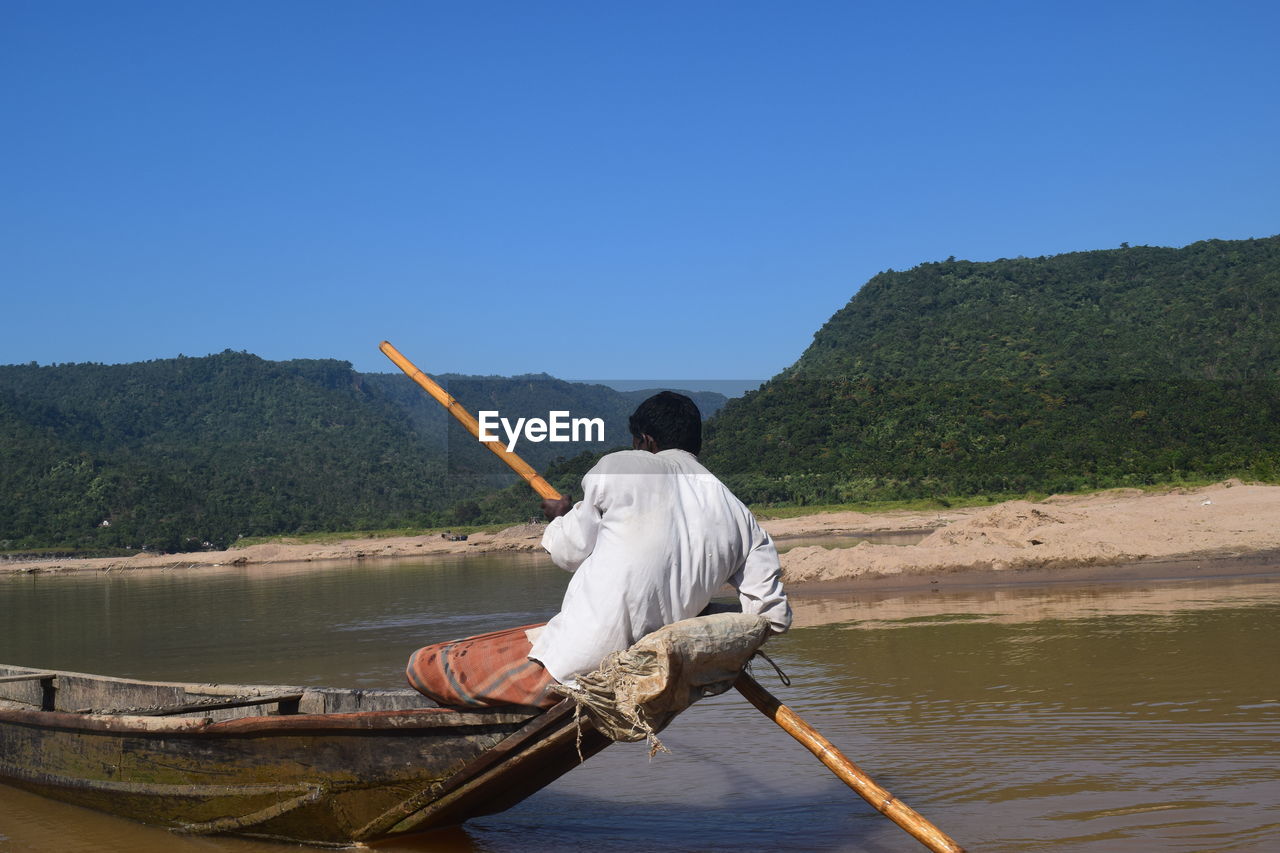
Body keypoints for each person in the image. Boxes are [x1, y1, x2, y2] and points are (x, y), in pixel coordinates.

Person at [406, 391, 791, 708]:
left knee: (424, 664)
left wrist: (560, 515)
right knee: (523, 637)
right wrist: (697, 615)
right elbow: (770, 618)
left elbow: (568, 552)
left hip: (578, 670)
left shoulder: (622, 466)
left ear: (645, 442)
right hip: (649, 683)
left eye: (636, 442)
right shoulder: (740, 515)